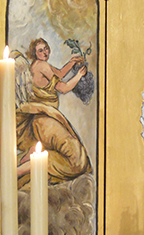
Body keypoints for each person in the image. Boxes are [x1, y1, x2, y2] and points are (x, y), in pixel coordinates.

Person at [16, 38, 92, 188]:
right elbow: (62, 88)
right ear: (35, 53)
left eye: (46, 48)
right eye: (40, 50)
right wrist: (79, 75)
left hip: (41, 121)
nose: (45, 52)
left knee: (63, 153)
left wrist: (71, 63)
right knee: (76, 160)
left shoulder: (37, 66)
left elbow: (59, 74)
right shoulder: (42, 66)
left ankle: (31, 155)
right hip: (45, 121)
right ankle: (18, 171)